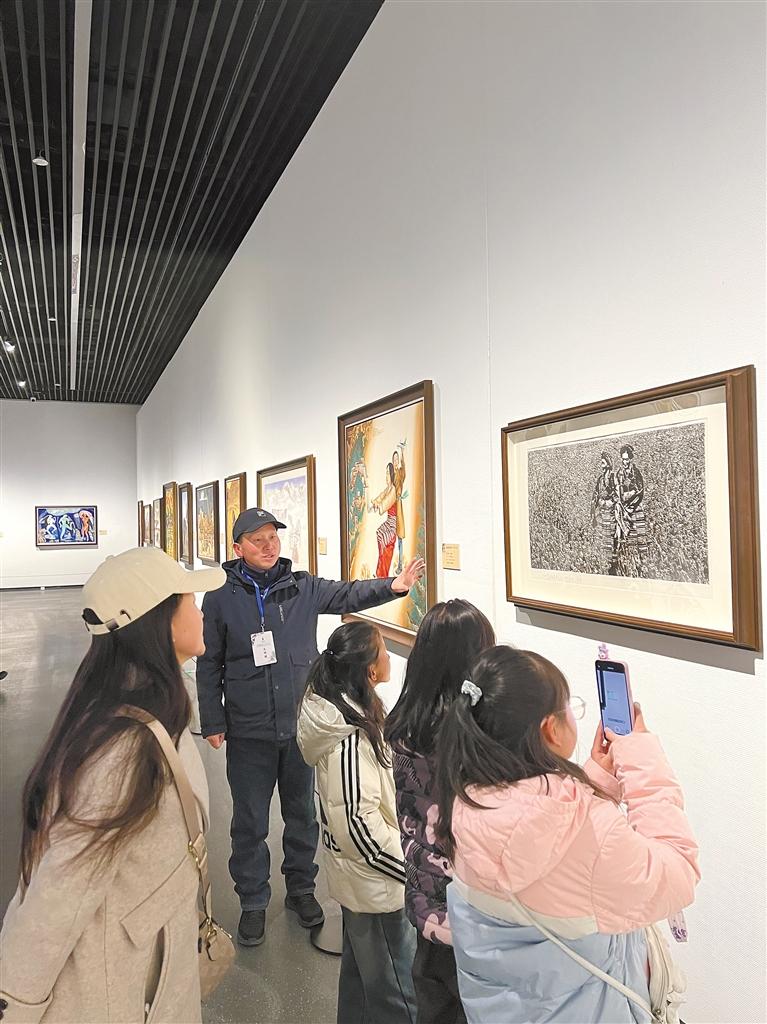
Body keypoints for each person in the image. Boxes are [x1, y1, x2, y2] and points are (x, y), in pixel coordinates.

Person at [0, 547, 225, 1024]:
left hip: (150, 977)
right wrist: (14, 1006)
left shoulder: (156, 713)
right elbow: (54, 898)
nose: (201, 612)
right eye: (190, 600)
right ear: (160, 621)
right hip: (119, 996)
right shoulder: (122, 752)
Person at [196, 506, 425, 948]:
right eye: (258, 540)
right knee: (250, 821)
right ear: (238, 547)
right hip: (248, 730)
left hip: (299, 728)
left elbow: (347, 594)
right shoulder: (221, 596)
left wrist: (392, 586)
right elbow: (210, 663)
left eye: (273, 537)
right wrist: (213, 719)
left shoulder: (301, 587)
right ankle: (253, 901)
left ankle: (301, 888)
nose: (268, 546)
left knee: (302, 815)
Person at [436, 646, 700, 1024]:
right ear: (550, 729)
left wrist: (596, 780)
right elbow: (677, 873)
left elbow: (549, 849)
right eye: (568, 707)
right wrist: (643, 760)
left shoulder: (468, 800)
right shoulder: (587, 832)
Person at [297, 622, 418, 1024]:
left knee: (362, 983)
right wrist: (407, 868)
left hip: (363, 880)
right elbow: (358, 825)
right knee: (396, 993)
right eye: (383, 650)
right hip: (376, 885)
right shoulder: (348, 738)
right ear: (369, 669)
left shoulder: (351, 714)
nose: (389, 658)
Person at [385, 600, 495, 1024]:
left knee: (433, 1003)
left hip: (425, 899)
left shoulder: (406, 724)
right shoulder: (471, 739)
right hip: (471, 911)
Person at [616, 443, 648, 574]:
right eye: (623, 459)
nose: (625, 462)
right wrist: (624, 503)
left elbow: (640, 491)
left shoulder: (636, 473)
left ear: (630, 459)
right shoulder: (619, 474)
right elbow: (618, 492)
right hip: (625, 510)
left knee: (641, 536)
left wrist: (630, 497)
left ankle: (644, 564)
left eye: (627, 459)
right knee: (630, 537)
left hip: (636, 507)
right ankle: (633, 566)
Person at [590, 451, 619, 575]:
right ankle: (604, 563)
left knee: (611, 537)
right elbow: (596, 495)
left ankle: (613, 564)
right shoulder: (600, 479)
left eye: (603, 463)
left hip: (611, 512)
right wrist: (597, 505)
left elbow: (618, 494)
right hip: (602, 512)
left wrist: (610, 502)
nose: (601, 465)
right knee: (602, 538)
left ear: (608, 464)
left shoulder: (613, 478)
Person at [370, 463, 398, 578]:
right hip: (389, 521)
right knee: (379, 533)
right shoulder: (388, 489)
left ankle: (383, 573)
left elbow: (383, 507)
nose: (386, 476)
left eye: (387, 473)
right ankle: (380, 572)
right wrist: (375, 502)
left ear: (391, 474)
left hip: (394, 524)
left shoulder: (393, 490)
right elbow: (379, 498)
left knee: (384, 539)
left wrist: (378, 504)